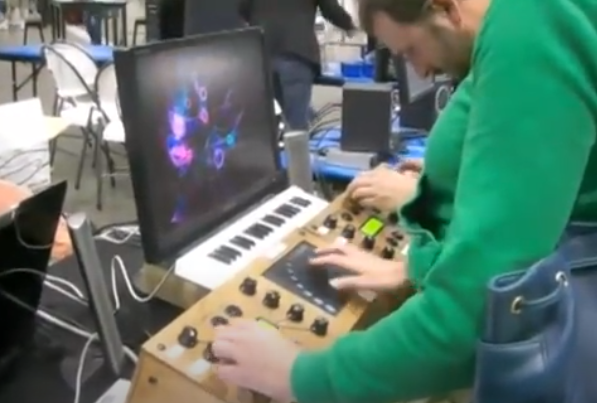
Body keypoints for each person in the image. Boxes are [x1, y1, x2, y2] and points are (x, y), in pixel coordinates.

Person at [210, 0, 597, 401]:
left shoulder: (529, 23)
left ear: (445, 8)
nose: (422, 71)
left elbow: (472, 314)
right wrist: (420, 266)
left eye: (411, 50)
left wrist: (299, 376)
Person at [239, 0, 357, 130]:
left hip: (265, 53)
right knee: (297, 123)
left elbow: (243, 8)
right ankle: (303, 134)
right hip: (297, 53)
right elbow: (330, 8)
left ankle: (306, 124)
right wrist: (350, 26)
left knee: (280, 117)